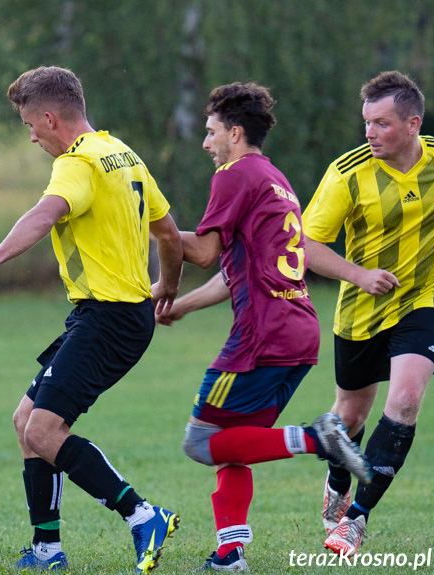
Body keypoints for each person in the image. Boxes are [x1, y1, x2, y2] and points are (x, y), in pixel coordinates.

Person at [0, 66, 184, 574]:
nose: (33, 137)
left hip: (108, 319)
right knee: (26, 422)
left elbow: (44, 214)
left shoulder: (77, 162)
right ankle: (46, 549)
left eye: (29, 126)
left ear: (48, 116)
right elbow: (169, 234)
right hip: (110, 315)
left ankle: (142, 514)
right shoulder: (122, 154)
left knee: (43, 430)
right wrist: (167, 287)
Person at [156, 82, 370, 572]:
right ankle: (231, 555)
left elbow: (205, 252)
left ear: (234, 133)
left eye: (211, 133)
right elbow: (237, 269)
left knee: (201, 441)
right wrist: (182, 305)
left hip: (262, 338)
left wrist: (156, 225)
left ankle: (321, 438)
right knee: (238, 447)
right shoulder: (273, 178)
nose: (206, 143)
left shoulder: (234, 175)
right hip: (297, 331)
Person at [302, 70, 434, 557]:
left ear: (412, 124)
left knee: (403, 401)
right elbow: (303, 243)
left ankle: (355, 521)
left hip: (425, 301)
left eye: (381, 124)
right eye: (366, 123)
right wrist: (359, 275)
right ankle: (338, 474)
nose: (369, 133)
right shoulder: (348, 172)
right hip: (361, 309)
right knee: (350, 415)